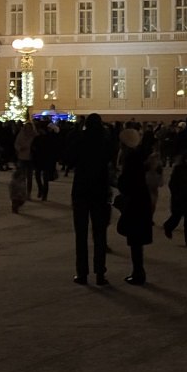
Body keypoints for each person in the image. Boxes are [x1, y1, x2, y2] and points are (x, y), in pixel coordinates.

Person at [70, 115, 113, 284]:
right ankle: (100, 273)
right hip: (99, 189)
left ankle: (82, 273)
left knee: (81, 233)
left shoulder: (80, 139)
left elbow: (69, 158)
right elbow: (110, 158)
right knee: (100, 233)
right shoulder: (105, 141)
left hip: (81, 188)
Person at [113, 124, 155, 285]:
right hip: (141, 201)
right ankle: (138, 270)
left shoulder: (131, 159)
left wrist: (117, 181)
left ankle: (138, 272)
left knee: (135, 240)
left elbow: (127, 184)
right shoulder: (140, 156)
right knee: (136, 240)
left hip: (134, 203)